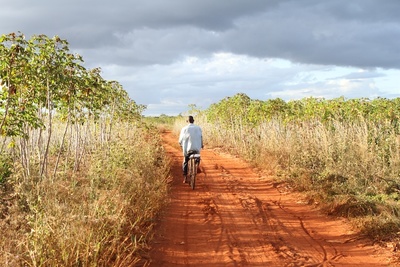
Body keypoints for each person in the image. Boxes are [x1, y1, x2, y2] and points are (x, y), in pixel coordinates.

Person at [178, 115, 203, 183]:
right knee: (198, 157)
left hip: (187, 150)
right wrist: (201, 145)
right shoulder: (198, 128)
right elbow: (201, 137)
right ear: (193, 121)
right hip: (196, 149)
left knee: (185, 161)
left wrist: (180, 144)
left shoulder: (184, 129)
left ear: (187, 121)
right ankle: (197, 166)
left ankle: (185, 177)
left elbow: (180, 140)